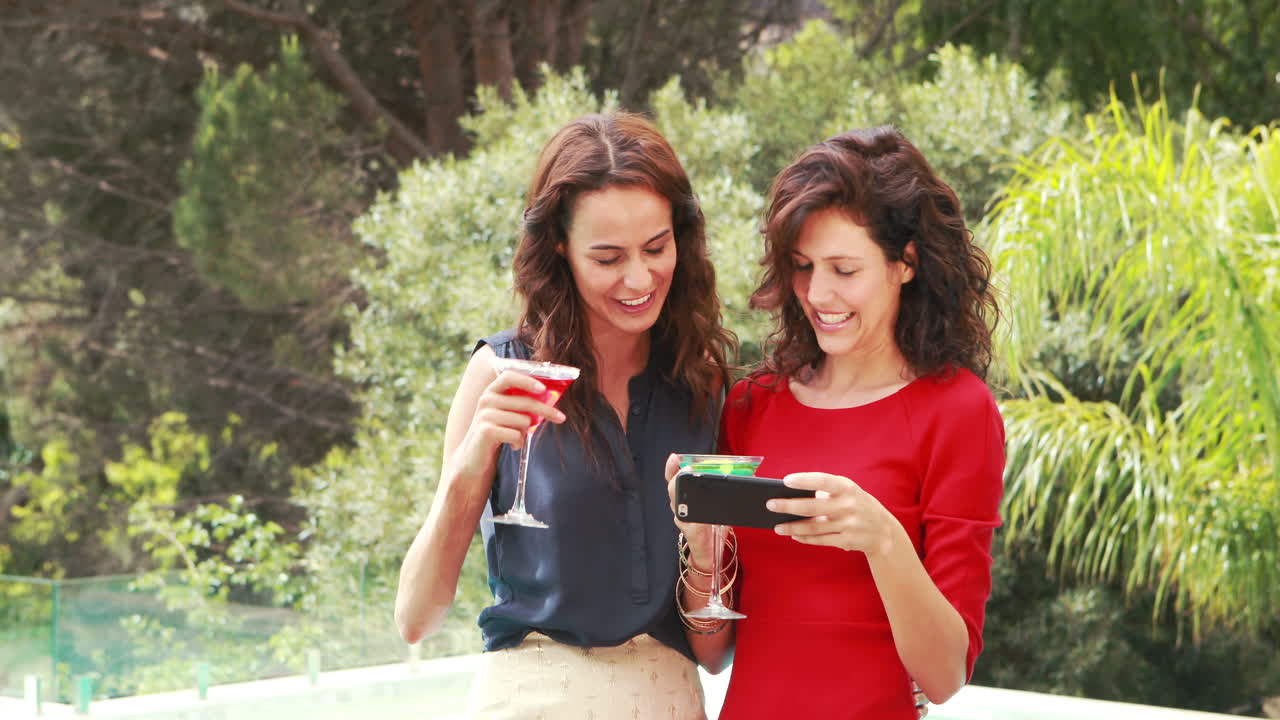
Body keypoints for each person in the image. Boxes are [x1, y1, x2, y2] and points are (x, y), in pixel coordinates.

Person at [394, 111, 736, 719]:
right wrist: (470, 466)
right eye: (607, 257)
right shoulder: (501, 372)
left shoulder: (704, 387)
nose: (639, 277)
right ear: (560, 246)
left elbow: (713, 654)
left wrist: (707, 554)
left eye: (656, 247)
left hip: (668, 701)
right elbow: (417, 618)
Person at [670, 126, 1004, 719]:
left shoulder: (958, 411)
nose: (818, 293)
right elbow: (713, 652)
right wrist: (702, 549)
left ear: (906, 263)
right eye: (802, 266)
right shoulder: (751, 403)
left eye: (844, 270)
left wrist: (882, 538)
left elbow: (944, 675)